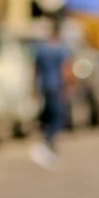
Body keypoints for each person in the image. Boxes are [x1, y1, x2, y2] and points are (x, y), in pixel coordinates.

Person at [31, 18, 72, 168]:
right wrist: (68, 87)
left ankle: (47, 138)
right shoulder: (61, 49)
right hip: (57, 86)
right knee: (57, 116)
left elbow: (35, 70)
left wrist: (34, 88)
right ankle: (50, 140)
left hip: (44, 85)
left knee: (47, 114)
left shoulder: (41, 49)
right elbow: (66, 69)